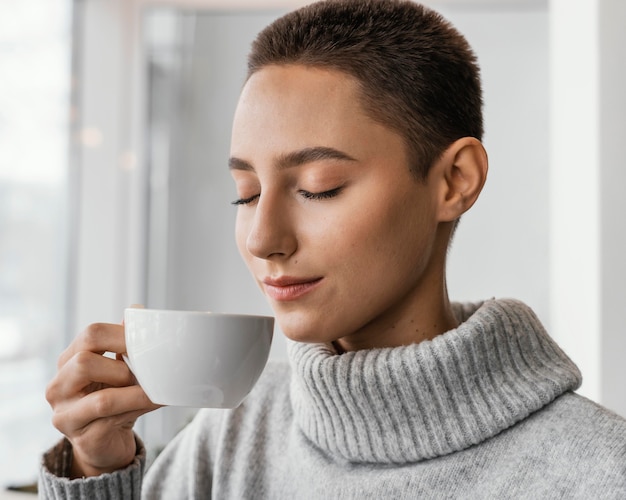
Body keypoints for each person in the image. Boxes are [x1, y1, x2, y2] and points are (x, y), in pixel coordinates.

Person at [40, 0, 626, 498]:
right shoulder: (230, 439)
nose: (264, 239)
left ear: (454, 181)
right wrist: (98, 464)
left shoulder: (596, 473)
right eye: (245, 195)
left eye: (319, 188)